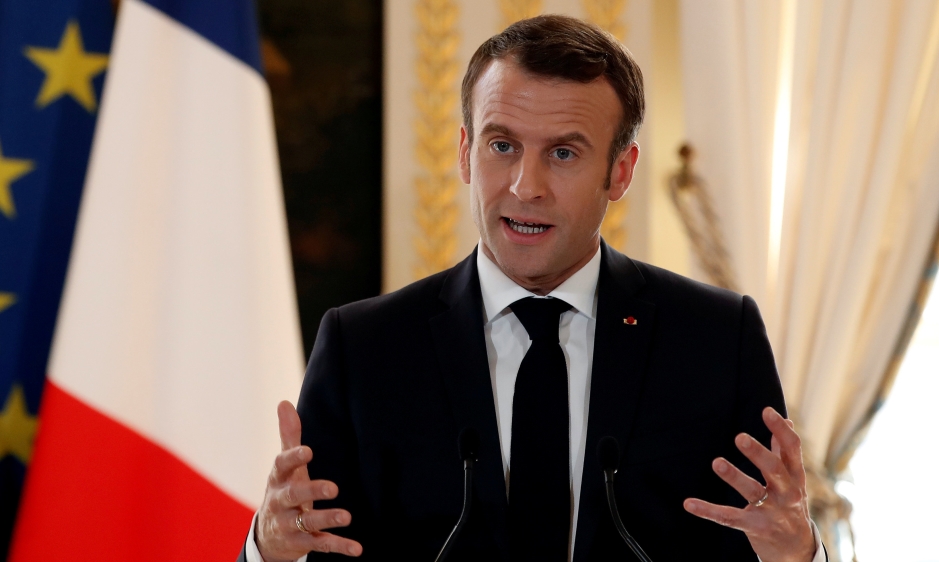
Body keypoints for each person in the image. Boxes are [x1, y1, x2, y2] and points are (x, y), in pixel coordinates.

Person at [241, 15, 825, 562]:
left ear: (620, 171)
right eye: (503, 146)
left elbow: (769, 529)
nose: (526, 187)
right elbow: (317, 542)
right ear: (466, 152)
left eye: (563, 153)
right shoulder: (363, 347)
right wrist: (269, 548)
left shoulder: (716, 339)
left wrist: (798, 555)